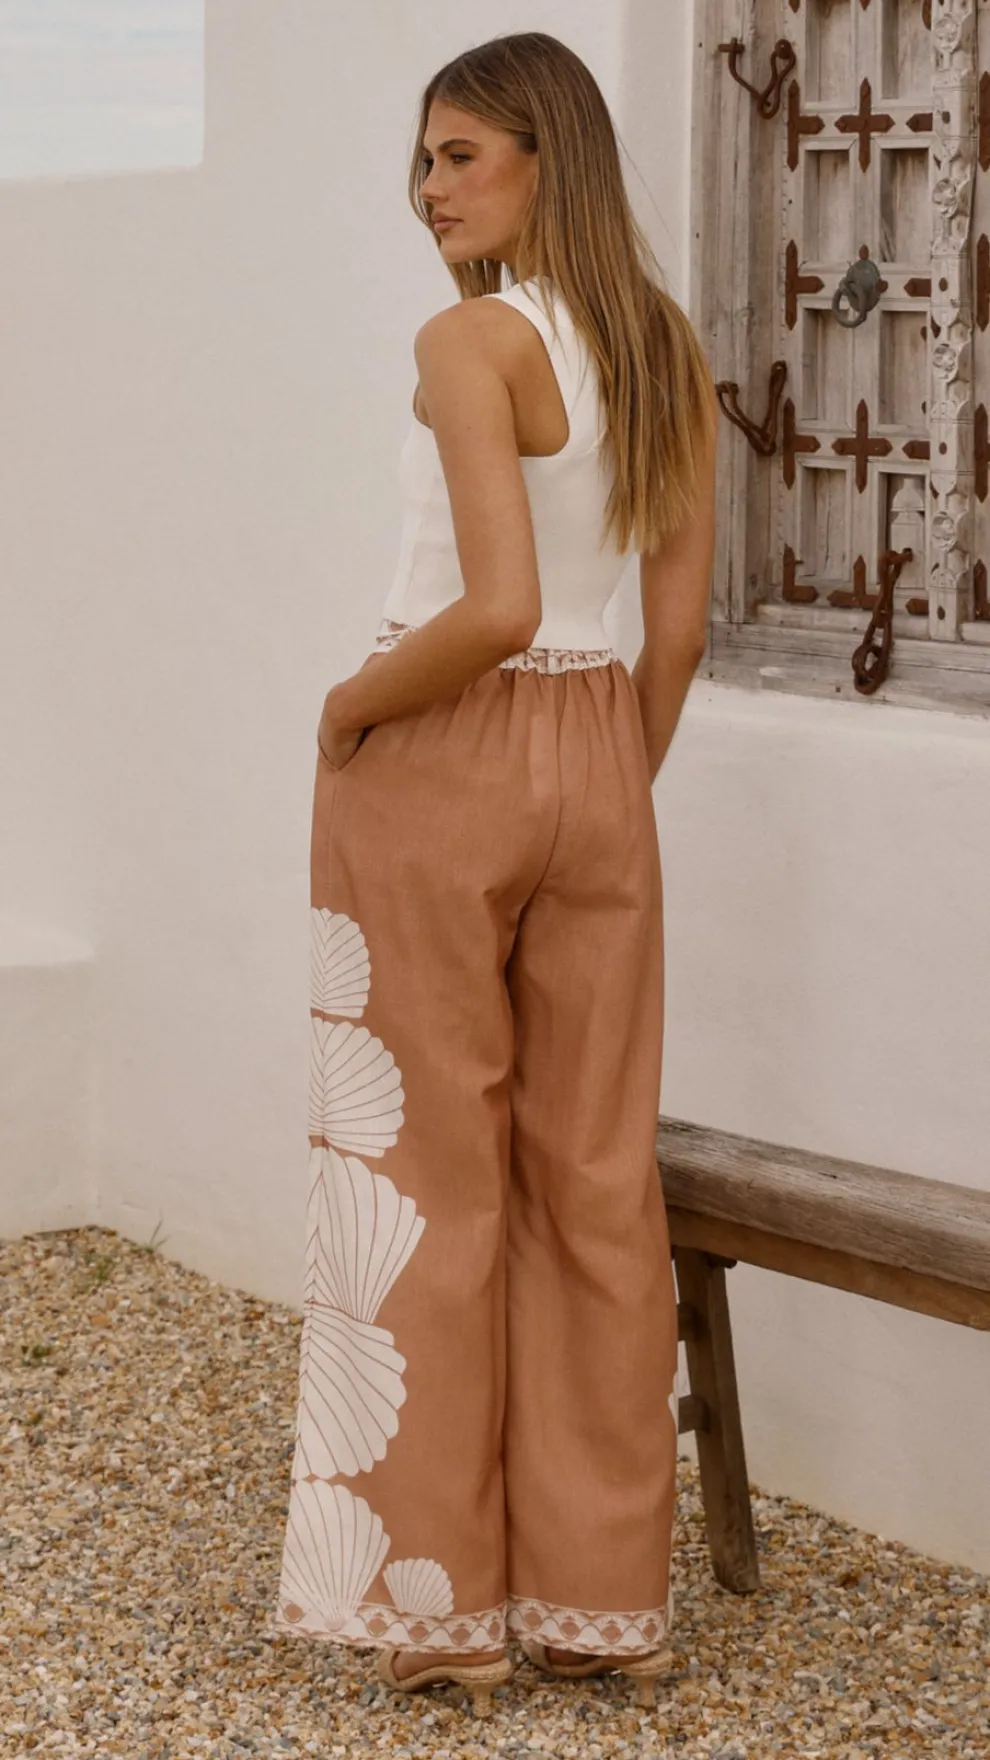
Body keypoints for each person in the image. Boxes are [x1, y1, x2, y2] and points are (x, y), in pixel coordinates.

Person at [271, 29, 717, 1720]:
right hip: (602, 755)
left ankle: (443, 1614)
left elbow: (497, 605)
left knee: (422, 1176)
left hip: (442, 748)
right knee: (594, 1177)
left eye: (460, 154)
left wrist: (348, 708)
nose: (428, 188)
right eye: (423, 157)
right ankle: (605, 1609)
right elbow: (671, 633)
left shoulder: (470, 341)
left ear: (548, 157)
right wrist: (600, 787)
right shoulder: (662, 345)